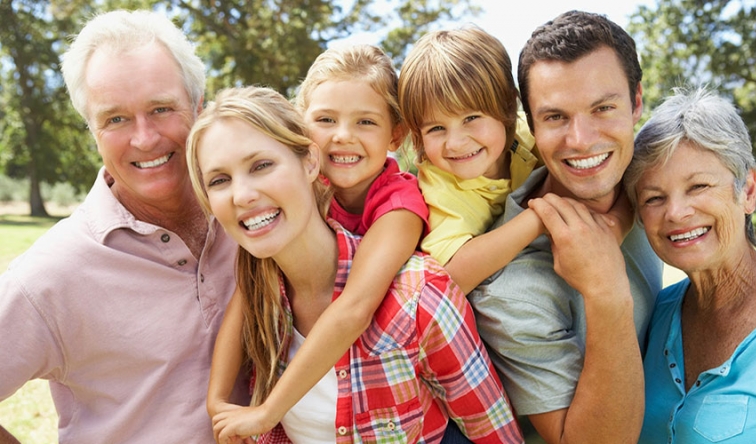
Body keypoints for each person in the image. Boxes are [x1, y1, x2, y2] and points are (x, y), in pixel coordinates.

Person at [185, 86, 523, 443]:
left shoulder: (419, 297)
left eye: (262, 166)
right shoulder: (263, 301)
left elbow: (496, 435)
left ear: (311, 162)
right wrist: (219, 407)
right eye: (220, 180)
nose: (243, 195)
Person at [0, 9, 248, 444]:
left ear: (199, 106)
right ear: (92, 130)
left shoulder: (253, 221)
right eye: (115, 118)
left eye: (161, 109)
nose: (144, 138)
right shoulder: (51, 275)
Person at [205, 43, 431, 440]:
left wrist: (267, 412)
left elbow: (355, 307)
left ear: (396, 135)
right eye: (325, 119)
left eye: (365, 122)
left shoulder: (399, 206)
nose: (343, 137)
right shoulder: (302, 193)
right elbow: (247, 292)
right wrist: (217, 400)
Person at [468, 10, 664, 443]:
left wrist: (615, 221)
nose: (581, 139)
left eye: (603, 108)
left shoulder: (652, 180)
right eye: (556, 117)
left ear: (636, 103)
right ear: (532, 126)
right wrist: (605, 293)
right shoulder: (511, 290)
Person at [624, 87, 756, 443]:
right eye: (654, 197)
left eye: (699, 186)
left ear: (747, 190)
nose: (675, 212)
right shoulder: (657, 311)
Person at [397, 26, 542, 293]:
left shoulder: (527, 137)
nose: (455, 143)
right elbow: (452, 276)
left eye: (471, 118)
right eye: (435, 128)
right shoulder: (440, 185)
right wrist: (539, 217)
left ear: (509, 106)